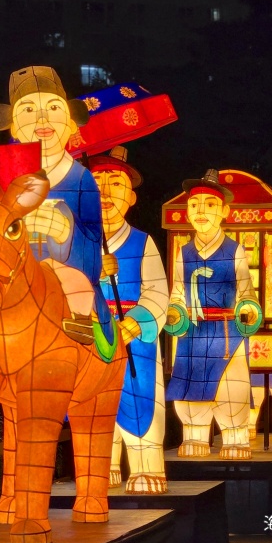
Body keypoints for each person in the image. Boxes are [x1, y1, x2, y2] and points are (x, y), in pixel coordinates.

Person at [0, 65, 118, 357]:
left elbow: (93, 248)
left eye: (54, 107)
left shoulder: (82, 179)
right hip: (16, 279)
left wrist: (66, 231)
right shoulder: (5, 177)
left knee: (77, 292)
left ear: (71, 123)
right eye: (28, 110)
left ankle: (82, 323)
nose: (42, 119)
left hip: (68, 283)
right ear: (13, 126)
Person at [164, 169, 263, 459]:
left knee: (230, 385)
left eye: (209, 204)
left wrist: (248, 308)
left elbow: (246, 289)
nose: (201, 211)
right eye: (194, 205)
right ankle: (194, 435)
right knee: (190, 385)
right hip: (193, 331)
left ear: (224, 212)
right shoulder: (184, 252)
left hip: (225, 330)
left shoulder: (234, 250)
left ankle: (234, 436)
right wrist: (175, 311)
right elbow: (178, 290)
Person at [88, 146, 170, 493]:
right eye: (96, 183)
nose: (105, 192)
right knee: (93, 403)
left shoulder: (142, 242)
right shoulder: (79, 243)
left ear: (131, 198)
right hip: (92, 334)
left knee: (139, 398)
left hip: (133, 338)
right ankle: (100, 467)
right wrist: (93, 271)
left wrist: (135, 322)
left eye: (115, 184)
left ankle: (146, 467)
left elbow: (157, 292)